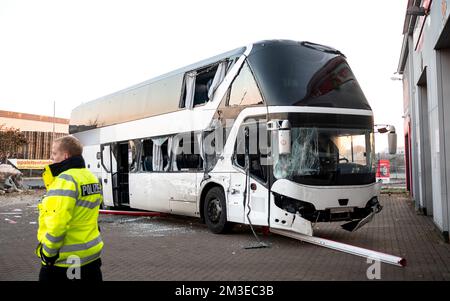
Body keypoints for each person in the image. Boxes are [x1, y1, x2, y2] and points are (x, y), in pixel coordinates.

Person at [36, 135, 103, 281]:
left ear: (65, 156)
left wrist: (47, 254)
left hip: (65, 261)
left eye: (54, 153)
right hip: (91, 257)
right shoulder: (90, 177)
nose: (52, 158)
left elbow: (58, 224)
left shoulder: (65, 180)